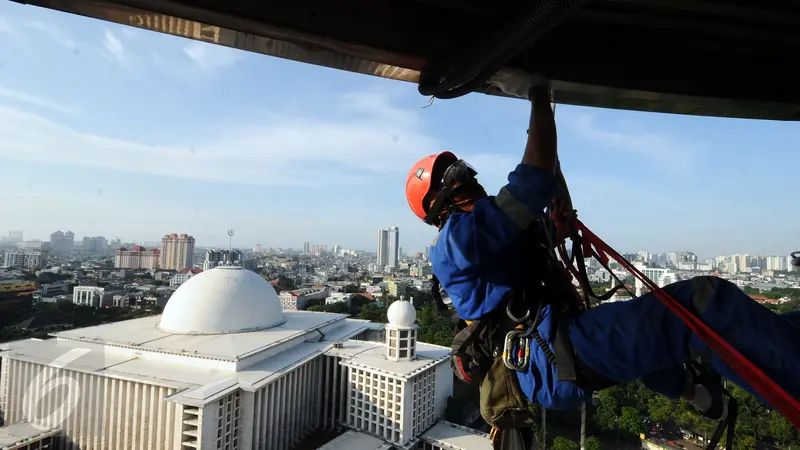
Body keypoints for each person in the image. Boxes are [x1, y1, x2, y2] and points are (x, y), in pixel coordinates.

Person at [404, 72, 800, 426]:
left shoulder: (488, 235)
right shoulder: (456, 240)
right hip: (556, 356)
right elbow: (534, 180)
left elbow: (547, 193)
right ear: (440, 206)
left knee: (656, 334)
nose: (471, 181)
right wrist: (537, 91)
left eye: (465, 174)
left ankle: (702, 397)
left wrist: (554, 188)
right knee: (703, 302)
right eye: (457, 180)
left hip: (558, 351)